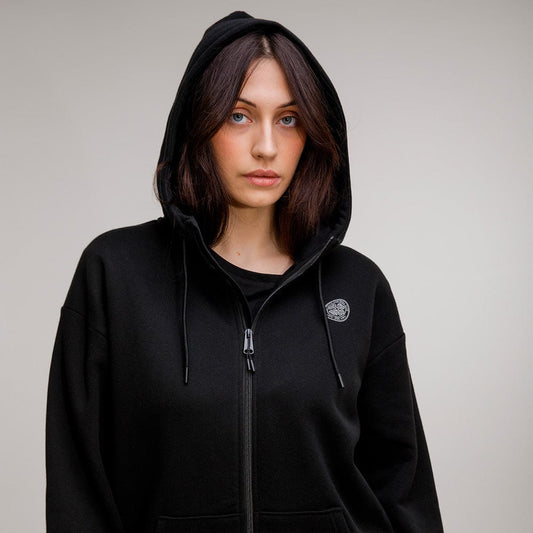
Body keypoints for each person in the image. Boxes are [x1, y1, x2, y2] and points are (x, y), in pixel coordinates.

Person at [46, 11, 444, 533]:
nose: (266, 147)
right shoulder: (115, 275)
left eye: (289, 119)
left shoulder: (358, 287)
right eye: (239, 115)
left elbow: (403, 486)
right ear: (198, 124)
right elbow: (78, 488)